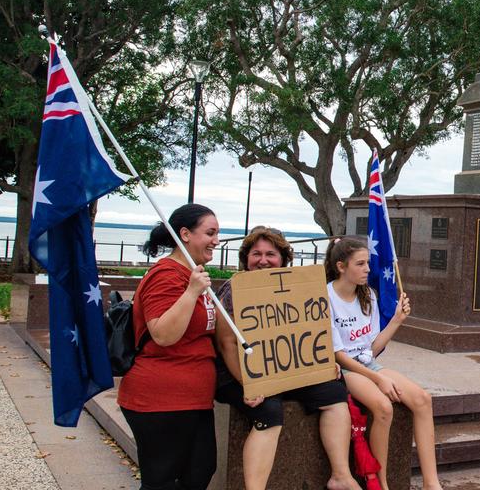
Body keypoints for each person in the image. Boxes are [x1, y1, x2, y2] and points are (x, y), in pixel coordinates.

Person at [214, 227, 359, 490]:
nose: (263, 259)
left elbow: (309, 329)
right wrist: (249, 385)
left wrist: (322, 363)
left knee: (335, 392)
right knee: (268, 409)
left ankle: (340, 476)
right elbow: (226, 344)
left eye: (271, 253)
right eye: (256, 253)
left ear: (282, 259)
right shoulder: (233, 288)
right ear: (246, 258)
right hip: (238, 373)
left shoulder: (296, 287)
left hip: (285, 371)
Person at [117, 204, 221, 490]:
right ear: (185, 234)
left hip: (193, 397)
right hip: (161, 399)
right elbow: (162, 334)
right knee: (162, 480)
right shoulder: (167, 275)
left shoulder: (193, 274)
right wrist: (191, 292)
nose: (216, 240)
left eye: (217, 233)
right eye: (210, 233)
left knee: (200, 470)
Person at [326, 237, 440, 490]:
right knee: (383, 407)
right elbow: (338, 354)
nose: (368, 269)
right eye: (361, 264)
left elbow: (372, 349)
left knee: (422, 400)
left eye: (368, 263)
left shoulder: (368, 296)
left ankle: (432, 484)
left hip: (367, 364)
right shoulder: (326, 297)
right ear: (341, 266)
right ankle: (381, 483)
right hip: (344, 369)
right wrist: (378, 379)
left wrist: (398, 320)